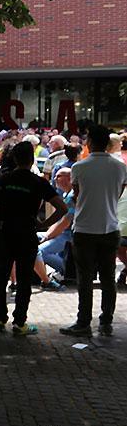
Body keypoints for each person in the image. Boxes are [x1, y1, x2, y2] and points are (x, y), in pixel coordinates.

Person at [0, 141, 67, 336]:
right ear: (32, 159)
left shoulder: (2, 180)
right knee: (24, 280)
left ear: (14, 158)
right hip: (27, 234)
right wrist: (43, 224)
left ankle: (0, 319)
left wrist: (1, 212)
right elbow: (62, 208)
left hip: (4, 233)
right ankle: (20, 323)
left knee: (0, 277)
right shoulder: (38, 182)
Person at [60, 126, 127, 338]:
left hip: (85, 228)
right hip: (110, 227)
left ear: (89, 142)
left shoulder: (79, 167)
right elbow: (118, 193)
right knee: (108, 278)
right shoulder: (120, 167)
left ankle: (83, 322)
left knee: (85, 278)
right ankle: (106, 323)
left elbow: (77, 196)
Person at [37, 167, 75, 281]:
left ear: (69, 178)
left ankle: (66, 271)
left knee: (39, 252)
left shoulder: (72, 197)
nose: (54, 179)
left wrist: (48, 237)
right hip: (61, 233)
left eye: (58, 176)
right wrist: (47, 234)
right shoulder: (66, 194)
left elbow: (65, 223)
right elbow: (59, 222)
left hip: (67, 236)